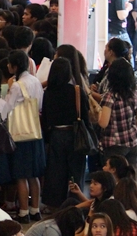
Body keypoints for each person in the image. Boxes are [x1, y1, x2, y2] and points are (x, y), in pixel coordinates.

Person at [2, 50, 45, 223]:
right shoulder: (36, 81)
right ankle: (35, 210)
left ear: (15, 66)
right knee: (33, 175)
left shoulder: (17, 85)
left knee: (21, 175)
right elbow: (40, 105)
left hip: (20, 134)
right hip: (35, 131)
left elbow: (6, 109)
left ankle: (23, 212)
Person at [41, 58, 90, 209]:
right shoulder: (76, 91)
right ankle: (75, 204)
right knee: (75, 171)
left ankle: (55, 205)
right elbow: (85, 115)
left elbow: (46, 118)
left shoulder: (48, 93)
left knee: (56, 172)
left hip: (56, 134)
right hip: (75, 134)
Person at [98, 58, 137, 168]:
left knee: (114, 175)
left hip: (114, 144)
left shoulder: (110, 96)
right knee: (131, 174)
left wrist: (99, 112)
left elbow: (103, 123)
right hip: (132, 141)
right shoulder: (135, 94)